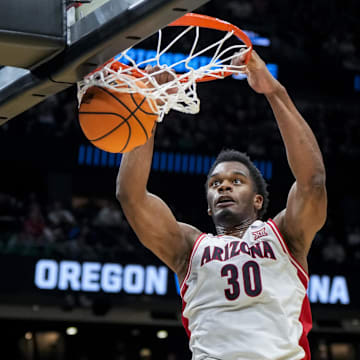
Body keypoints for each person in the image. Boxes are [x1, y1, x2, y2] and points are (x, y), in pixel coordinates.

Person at [116, 50, 327, 360]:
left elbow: (313, 181)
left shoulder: (285, 235)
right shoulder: (189, 247)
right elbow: (130, 195)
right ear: (209, 207)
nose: (224, 185)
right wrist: (149, 107)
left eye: (236, 180)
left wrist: (274, 90)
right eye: (215, 184)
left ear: (258, 201)